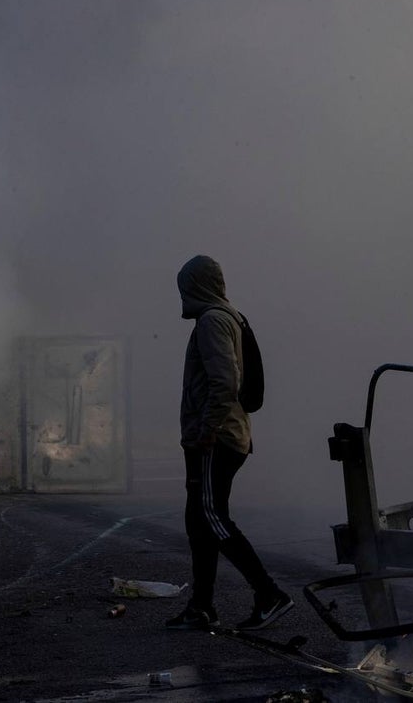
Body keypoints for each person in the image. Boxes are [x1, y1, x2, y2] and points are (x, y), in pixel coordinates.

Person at [165, 255, 294, 631]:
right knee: (199, 521)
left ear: (196, 286)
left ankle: (269, 594)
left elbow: (225, 382)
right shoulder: (228, 316)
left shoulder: (212, 321)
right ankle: (201, 606)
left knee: (211, 517)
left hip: (216, 439)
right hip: (222, 435)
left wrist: (206, 430)